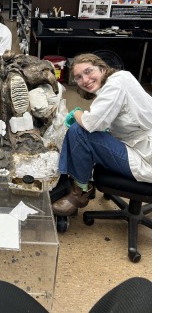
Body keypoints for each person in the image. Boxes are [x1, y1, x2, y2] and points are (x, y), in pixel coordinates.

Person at [52, 53, 152, 216]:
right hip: (139, 144)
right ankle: (82, 179)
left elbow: (91, 123)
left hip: (146, 157)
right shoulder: (121, 79)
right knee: (89, 132)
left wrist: (76, 113)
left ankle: (80, 191)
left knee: (79, 131)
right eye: (78, 77)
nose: (85, 80)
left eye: (88, 71)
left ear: (102, 68)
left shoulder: (116, 84)